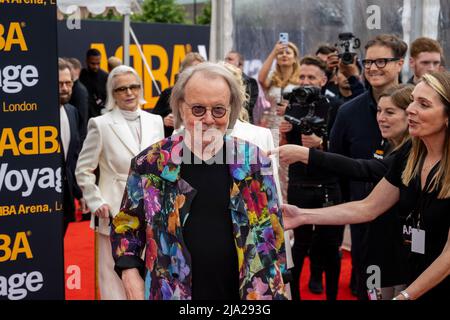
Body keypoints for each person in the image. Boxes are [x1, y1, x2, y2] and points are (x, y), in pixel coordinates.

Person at [110, 62, 289, 300]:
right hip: (173, 293)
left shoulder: (253, 160)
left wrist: (280, 287)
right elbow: (126, 226)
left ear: (231, 110)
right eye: (197, 109)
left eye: (218, 110)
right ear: (181, 108)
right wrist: (130, 273)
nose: (208, 119)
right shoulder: (152, 162)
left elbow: (272, 232)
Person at [283, 71, 450, 300]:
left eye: (423, 104)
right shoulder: (409, 155)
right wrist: (302, 215)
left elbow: (449, 256)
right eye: (412, 101)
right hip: (408, 272)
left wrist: (406, 296)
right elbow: (367, 207)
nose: (411, 109)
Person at [271, 84, 414, 299]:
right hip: (374, 249)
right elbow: (367, 206)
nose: (381, 118)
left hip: (400, 257)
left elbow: (363, 170)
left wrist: (307, 154)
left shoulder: (409, 152)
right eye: (379, 111)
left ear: (410, 114)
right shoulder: (387, 146)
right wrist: (302, 216)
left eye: (390, 112)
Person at [75, 65, 164, 300]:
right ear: (112, 93)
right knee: (113, 277)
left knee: (150, 271)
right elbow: (83, 169)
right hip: (113, 210)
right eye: (121, 88)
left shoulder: (155, 120)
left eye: (134, 86)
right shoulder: (100, 124)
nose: (129, 92)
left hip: (152, 209)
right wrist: (96, 201)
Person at [330, 34, 408, 299]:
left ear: (400, 63)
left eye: (382, 61)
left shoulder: (419, 105)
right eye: (368, 61)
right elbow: (338, 167)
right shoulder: (348, 112)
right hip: (365, 223)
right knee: (370, 292)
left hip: (410, 224)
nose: (373, 67)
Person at [282, 55, 344, 300]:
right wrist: (283, 134)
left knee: (330, 246)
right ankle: (294, 295)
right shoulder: (293, 105)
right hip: (299, 185)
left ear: (323, 80)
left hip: (328, 186)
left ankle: (331, 296)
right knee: (299, 245)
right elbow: (284, 150)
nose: (305, 82)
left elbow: (345, 153)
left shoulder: (337, 106)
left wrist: (322, 144)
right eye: (302, 77)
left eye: (311, 77)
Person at [58, 58, 85, 235]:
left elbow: (72, 159)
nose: (65, 88)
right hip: (40, 201)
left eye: (68, 83)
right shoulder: (35, 118)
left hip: (66, 199)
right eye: (59, 84)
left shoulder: (72, 112)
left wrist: (79, 192)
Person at [152, 52, 206, 137]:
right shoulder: (169, 93)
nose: (196, 74)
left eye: (200, 70)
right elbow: (152, 121)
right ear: (182, 71)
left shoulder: (208, 94)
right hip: (171, 143)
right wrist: (164, 121)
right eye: (193, 70)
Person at [225, 50, 259, 123]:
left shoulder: (250, 82)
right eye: (226, 59)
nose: (226, 61)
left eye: (230, 59)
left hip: (243, 123)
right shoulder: (221, 80)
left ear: (240, 64)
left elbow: (248, 106)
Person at [79, 48, 109, 118]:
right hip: (84, 117)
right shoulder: (81, 75)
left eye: (98, 63)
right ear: (86, 61)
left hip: (101, 117)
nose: (96, 66)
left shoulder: (105, 77)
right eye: (92, 63)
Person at [66, 57, 89, 143]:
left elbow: (81, 117)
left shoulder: (79, 90)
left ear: (76, 70)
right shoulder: (76, 88)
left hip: (77, 138)